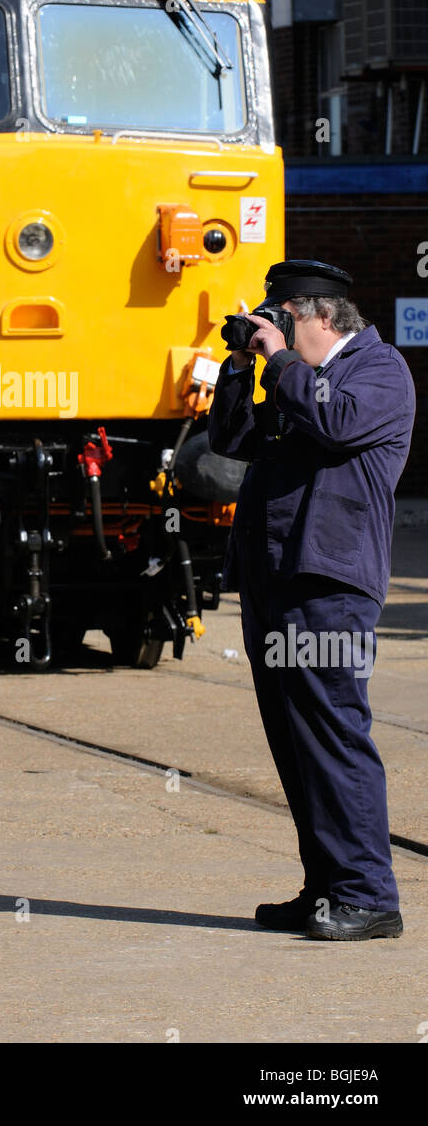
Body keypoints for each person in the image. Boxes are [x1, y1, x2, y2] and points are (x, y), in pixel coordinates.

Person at [208, 259, 416, 940]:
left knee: (331, 733)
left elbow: (335, 425)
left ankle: (367, 894)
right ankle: (327, 889)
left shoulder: (377, 372)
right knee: (295, 740)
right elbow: (234, 441)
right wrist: (242, 368)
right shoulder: (302, 380)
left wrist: (278, 363)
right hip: (277, 580)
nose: (273, 330)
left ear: (317, 316)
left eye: (281, 319)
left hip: (329, 584)